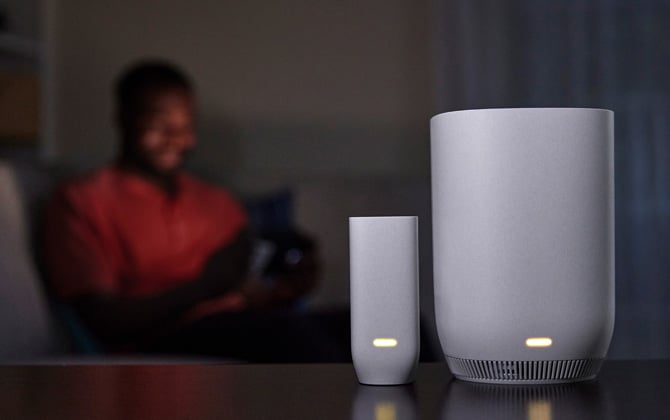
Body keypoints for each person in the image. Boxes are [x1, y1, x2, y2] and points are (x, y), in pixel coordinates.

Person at [43, 61, 323, 357]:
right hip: (164, 340)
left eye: (185, 126)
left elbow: (247, 293)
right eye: (158, 126)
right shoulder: (83, 202)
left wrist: (287, 288)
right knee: (292, 338)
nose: (176, 139)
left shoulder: (218, 201)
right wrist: (205, 285)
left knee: (351, 332)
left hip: (247, 324)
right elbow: (104, 320)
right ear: (123, 120)